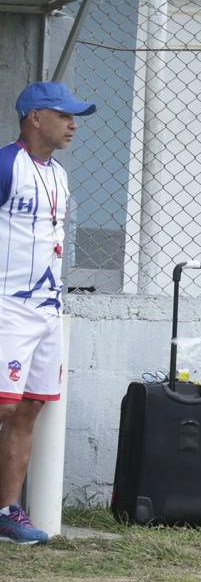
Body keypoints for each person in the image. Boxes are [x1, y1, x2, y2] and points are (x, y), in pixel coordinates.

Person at [0, 81, 96, 545]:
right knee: (4, 403)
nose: (73, 124)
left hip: (47, 309)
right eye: (64, 115)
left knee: (31, 408)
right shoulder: (5, 164)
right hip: (7, 306)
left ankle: (5, 510)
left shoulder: (57, 173)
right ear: (35, 117)